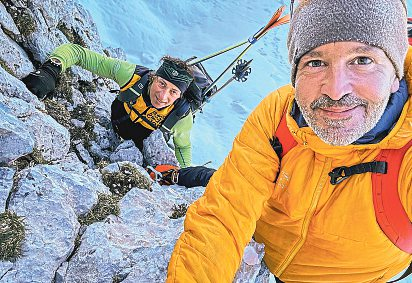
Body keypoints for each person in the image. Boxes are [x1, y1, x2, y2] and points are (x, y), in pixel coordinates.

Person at [167, 0, 412, 282]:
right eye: (315, 62)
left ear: (395, 75)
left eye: (362, 60)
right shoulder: (279, 114)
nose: (335, 89)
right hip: (264, 255)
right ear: (296, 76)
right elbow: (225, 214)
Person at [22, 44, 195, 167]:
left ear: (180, 96)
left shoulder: (180, 115)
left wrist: (185, 174)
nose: (163, 96)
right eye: (162, 84)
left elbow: (183, 146)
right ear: (154, 77)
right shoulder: (132, 76)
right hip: (115, 124)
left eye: (173, 92)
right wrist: (50, 71)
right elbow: (77, 52)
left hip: (140, 152)